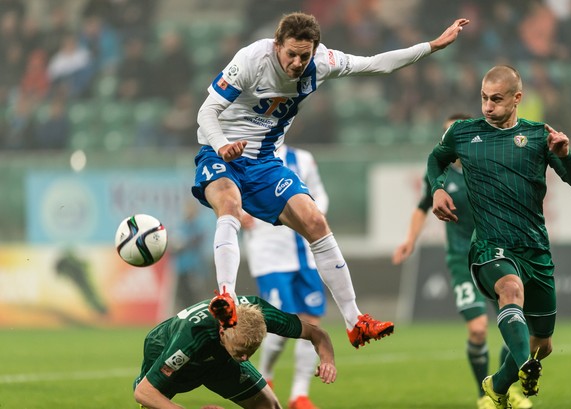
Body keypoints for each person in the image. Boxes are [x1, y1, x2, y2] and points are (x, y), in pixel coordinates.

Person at [191, 11, 470, 348]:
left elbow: (378, 64)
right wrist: (222, 146)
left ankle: (356, 321)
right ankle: (227, 299)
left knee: (315, 220)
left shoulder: (322, 62)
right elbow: (206, 111)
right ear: (276, 45)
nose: (296, 62)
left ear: (315, 50)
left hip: (264, 160)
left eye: (304, 56)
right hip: (218, 151)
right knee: (230, 206)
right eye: (290, 54)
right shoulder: (251, 59)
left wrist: (434, 46)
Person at [426, 65, 571, 408]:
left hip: (535, 249)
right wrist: (437, 189)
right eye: (484, 98)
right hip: (489, 246)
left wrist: (566, 156)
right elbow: (436, 159)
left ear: (517, 98)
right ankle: (525, 368)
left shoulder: (539, 136)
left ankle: (499, 384)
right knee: (510, 290)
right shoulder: (462, 132)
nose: (488, 106)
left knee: (542, 343)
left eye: (497, 99)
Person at [393, 114, 533, 409]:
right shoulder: (440, 175)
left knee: (514, 323)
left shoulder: (485, 165)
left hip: (497, 255)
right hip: (461, 258)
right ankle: (484, 395)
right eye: (445, 134)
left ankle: (505, 389)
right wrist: (409, 240)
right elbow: (422, 208)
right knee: (478, 329)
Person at [133, 294, 336, 409]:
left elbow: (317, 334)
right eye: (242, 351)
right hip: (176, 358)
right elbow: (144, 392)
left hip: (223, 358)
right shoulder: (192, 336)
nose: (246, 358)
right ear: (222, 331)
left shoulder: (262, 315)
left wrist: (327, 360)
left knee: (269, 407)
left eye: (251, 351)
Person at [242, 144, 328, 409]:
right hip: (270, 255)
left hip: (306, 254)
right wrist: (240, 212)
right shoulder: (243, 156)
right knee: (279, 322)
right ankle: (266, 375)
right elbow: (227, 195)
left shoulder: (303, 158)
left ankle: (299, 395)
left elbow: (320, 196)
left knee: (311, 320)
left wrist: (311, 214)